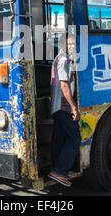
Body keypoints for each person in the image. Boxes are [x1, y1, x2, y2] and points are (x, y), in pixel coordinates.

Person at [48, 33, 81, 187]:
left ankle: (60, 169)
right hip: (63, 106)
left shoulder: (60, 58)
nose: (73, 47)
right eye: (70, 45)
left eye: (74, 44)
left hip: (57, 106)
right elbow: (64, 85)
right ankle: (59, 171)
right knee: (74, 139)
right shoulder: (64, 60)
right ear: (62, 45)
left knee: (60, 139)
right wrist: (74, 107)